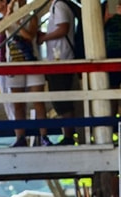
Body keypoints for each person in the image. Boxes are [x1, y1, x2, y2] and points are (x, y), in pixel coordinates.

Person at [0, 0, 50, 148]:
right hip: (14, 63)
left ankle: (44, 136)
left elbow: (29, 36)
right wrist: (9, 16)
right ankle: (20, 137)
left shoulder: (32, 16)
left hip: (32, 62)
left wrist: (16, 22)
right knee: (18, 104)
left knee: (38, 101)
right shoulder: (7, 17)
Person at [38, 0, 78, 144]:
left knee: (61, 100)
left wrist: (44, 38)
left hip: (60, 58)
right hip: (61, 57)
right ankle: (68, 134)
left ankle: (68, 136)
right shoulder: (60, 5)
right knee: (61, 99)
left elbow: (63, 29)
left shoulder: (59, 5)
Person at [104, 0, 121, 90]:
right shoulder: (105, 6)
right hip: (111, 51)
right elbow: (96, 28)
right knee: (112, 86)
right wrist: (106, 17)